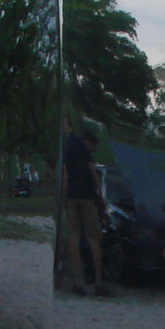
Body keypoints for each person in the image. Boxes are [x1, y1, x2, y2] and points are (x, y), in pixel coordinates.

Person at [62, 125, 108, 295]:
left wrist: (64, 199)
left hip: (72, 197)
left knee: (74, 238)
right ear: (88, 142)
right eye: (93, 145)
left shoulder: (68, 150)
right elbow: (94, 175)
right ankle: (98, 282)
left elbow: (66, 176)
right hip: (88, 198)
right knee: (94, 239)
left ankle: (78, 282)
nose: (94, 149)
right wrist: (102, 198)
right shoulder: (85, 152)